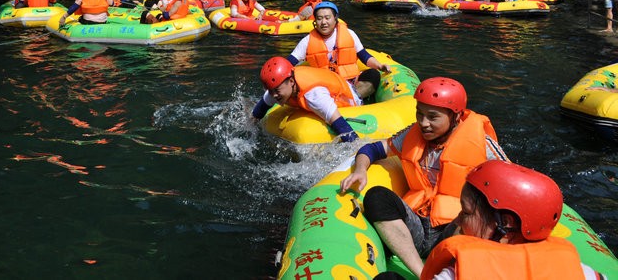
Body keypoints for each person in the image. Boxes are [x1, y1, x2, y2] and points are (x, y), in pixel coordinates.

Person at [340, 77, 508, 278]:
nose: (423, 123)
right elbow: (372, 149)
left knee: (477, 217)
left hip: (455, 227)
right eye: (419, 114)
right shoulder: (413, 134)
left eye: (433, 117)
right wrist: (360, 170)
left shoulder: (482, 144)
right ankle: (423, 273)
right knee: (376, 197)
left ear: (456, 116)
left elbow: (509, 183)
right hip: (417, 224)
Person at [421, 160, 604, 280]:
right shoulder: (581, 272)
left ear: (506, 223)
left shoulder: (457, 274)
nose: (458, 220)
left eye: (466, 212)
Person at [275, 1, 390, 102]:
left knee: (373, 75)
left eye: (327, 18)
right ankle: (341, 102)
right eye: (319, 19)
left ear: (335, 19)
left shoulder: (349, 34)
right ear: (315, 21)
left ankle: (352, 98)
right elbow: (289, 63)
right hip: (324, 86)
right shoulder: (307, 41)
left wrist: (379, 66)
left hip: (350, 82)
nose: (323, 22)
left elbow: (364, 56)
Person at [252, 57, 360, 142]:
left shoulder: (314, 96)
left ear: (291, 82)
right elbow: (259, 111)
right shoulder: (277, 89)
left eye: (276, 90)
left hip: (349, 98)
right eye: (271, 91)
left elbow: (341, 126)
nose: (274, 95)